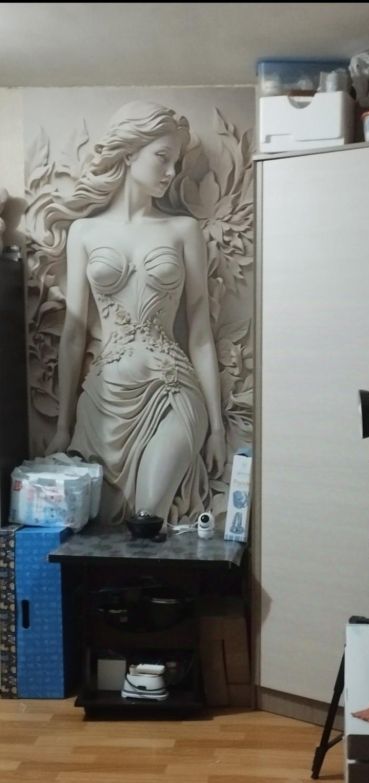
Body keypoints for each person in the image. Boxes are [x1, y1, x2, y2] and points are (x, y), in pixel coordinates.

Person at [43, 100, 226, 525]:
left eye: (175, 162)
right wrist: (63, 427)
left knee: (147, 518)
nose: (171, 171)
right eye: (162, 157)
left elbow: (200, 333)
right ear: (129, 154)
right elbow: (74, 334)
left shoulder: (183, 230)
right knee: (96, 529)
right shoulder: (84, 232)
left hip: (171, 390)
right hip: (104, 399)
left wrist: (217, 428)